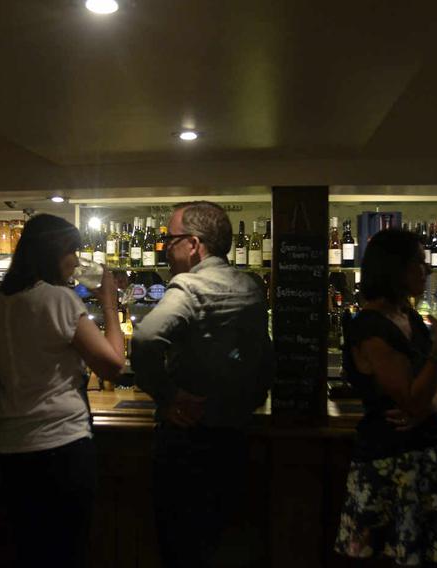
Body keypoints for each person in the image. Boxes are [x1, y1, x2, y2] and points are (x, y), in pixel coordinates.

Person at [131, 201, 274, 568]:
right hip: (236, 435)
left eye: (171, 240)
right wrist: (251, 397)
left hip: (187, 437)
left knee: (182, 547)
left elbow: (146, 339)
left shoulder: (190, 286)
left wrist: (168, 396)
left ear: (193, 244)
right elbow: (264, 355)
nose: (165, 248)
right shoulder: (252, 286)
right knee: (227, 542)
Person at [0, 214, 124, 568]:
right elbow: (112, 365)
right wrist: (109, 303)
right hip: (61, 443)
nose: (76, 259)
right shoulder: (58, 299)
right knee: (67, 550)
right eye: (72, 250)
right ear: (51, 251)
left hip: (11, 444)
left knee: (29, 549)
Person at [334, 228, 437, 566]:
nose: (427, 271)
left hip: (427, 455)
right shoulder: (371, 326)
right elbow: (413, 399)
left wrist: (425, 408)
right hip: (391, 463)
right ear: (395, 268)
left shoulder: (408, 316)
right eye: (419, 263)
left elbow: (435, 389)